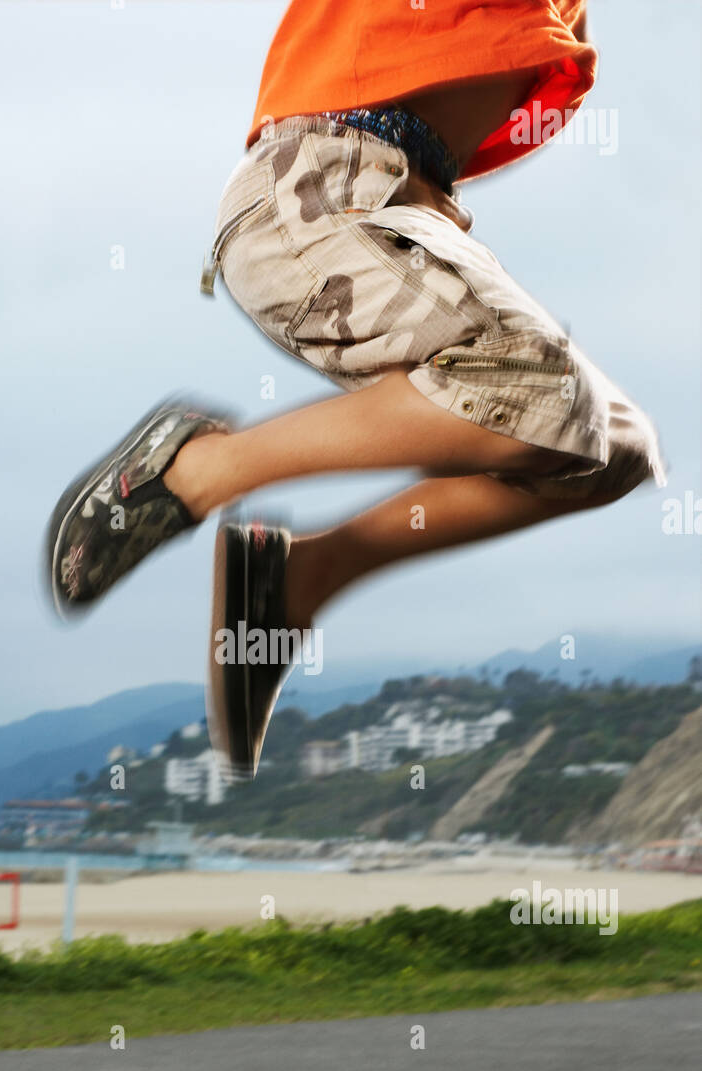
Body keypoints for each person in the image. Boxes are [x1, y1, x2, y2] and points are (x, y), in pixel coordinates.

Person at [46, 0, 665, 780]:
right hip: (320, 185)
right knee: (541, 392)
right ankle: (192, 472)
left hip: (399, 200)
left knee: (613, 446)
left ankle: (296, 580)